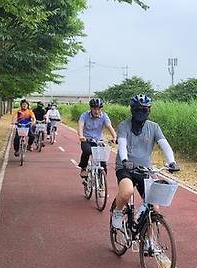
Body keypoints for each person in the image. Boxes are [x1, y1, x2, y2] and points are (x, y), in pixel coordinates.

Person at [111, 94, 180, 231]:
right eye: (137, 110)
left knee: (154, 207)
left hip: (145, 170)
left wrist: (172, 162)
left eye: (144, 110)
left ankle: (149, 241)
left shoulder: (154, 127)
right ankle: (117, 212)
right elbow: (122, 144)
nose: (140, 113)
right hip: (126, 168)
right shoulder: (124, 125)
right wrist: (124, 160)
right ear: (132, 110)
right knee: (127, 192)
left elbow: (164, 145)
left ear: (149, 110)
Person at [77, 98, 117, 178]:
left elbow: (109, 126)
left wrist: (114, 136)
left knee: (103, 159)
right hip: (87, 140)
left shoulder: (104, 116)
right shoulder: (84, 115)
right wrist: (81, 136)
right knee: (87, 151)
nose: (97, 111)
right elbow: (80, 125)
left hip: (99, 140)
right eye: (94, 109)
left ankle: (102, 179)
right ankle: (83, 168)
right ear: (91, 108)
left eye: (99, 109)